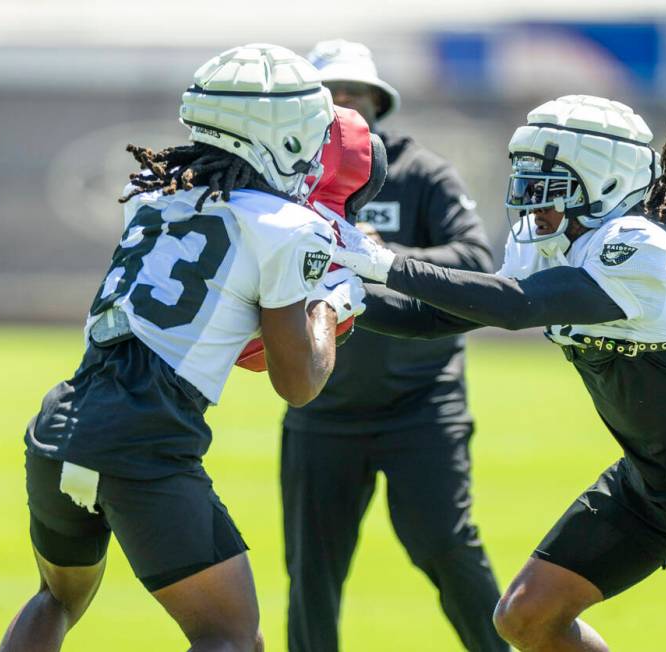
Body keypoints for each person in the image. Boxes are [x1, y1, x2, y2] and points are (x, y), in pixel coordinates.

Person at [330, 95, 666, 652]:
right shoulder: (545, 241)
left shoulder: (639, 245)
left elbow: (516, 305)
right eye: (525, 180)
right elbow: (436, 316)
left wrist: (378, 261)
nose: (531, 199)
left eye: (547, 182)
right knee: (524, 618)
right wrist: (343, 297)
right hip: (646, 474)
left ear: (601, 179)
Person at [0, 43, 381, 652]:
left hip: (61, 420)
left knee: (57, 598)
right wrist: (332, 303)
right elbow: (299, 384)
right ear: (279, 137)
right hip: (146, 439)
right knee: (229, 637)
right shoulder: (288, 227)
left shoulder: (154, 196)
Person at [279, 39, 507, 652]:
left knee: (445, 545)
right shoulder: (287, 179)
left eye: (354, 91)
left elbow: (477, 262)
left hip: (422, 401)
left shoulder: (420, 172)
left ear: (379, 102)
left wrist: (380, 258)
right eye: (329, 92)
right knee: (312, 571)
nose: (342, 101)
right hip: (321, 404)